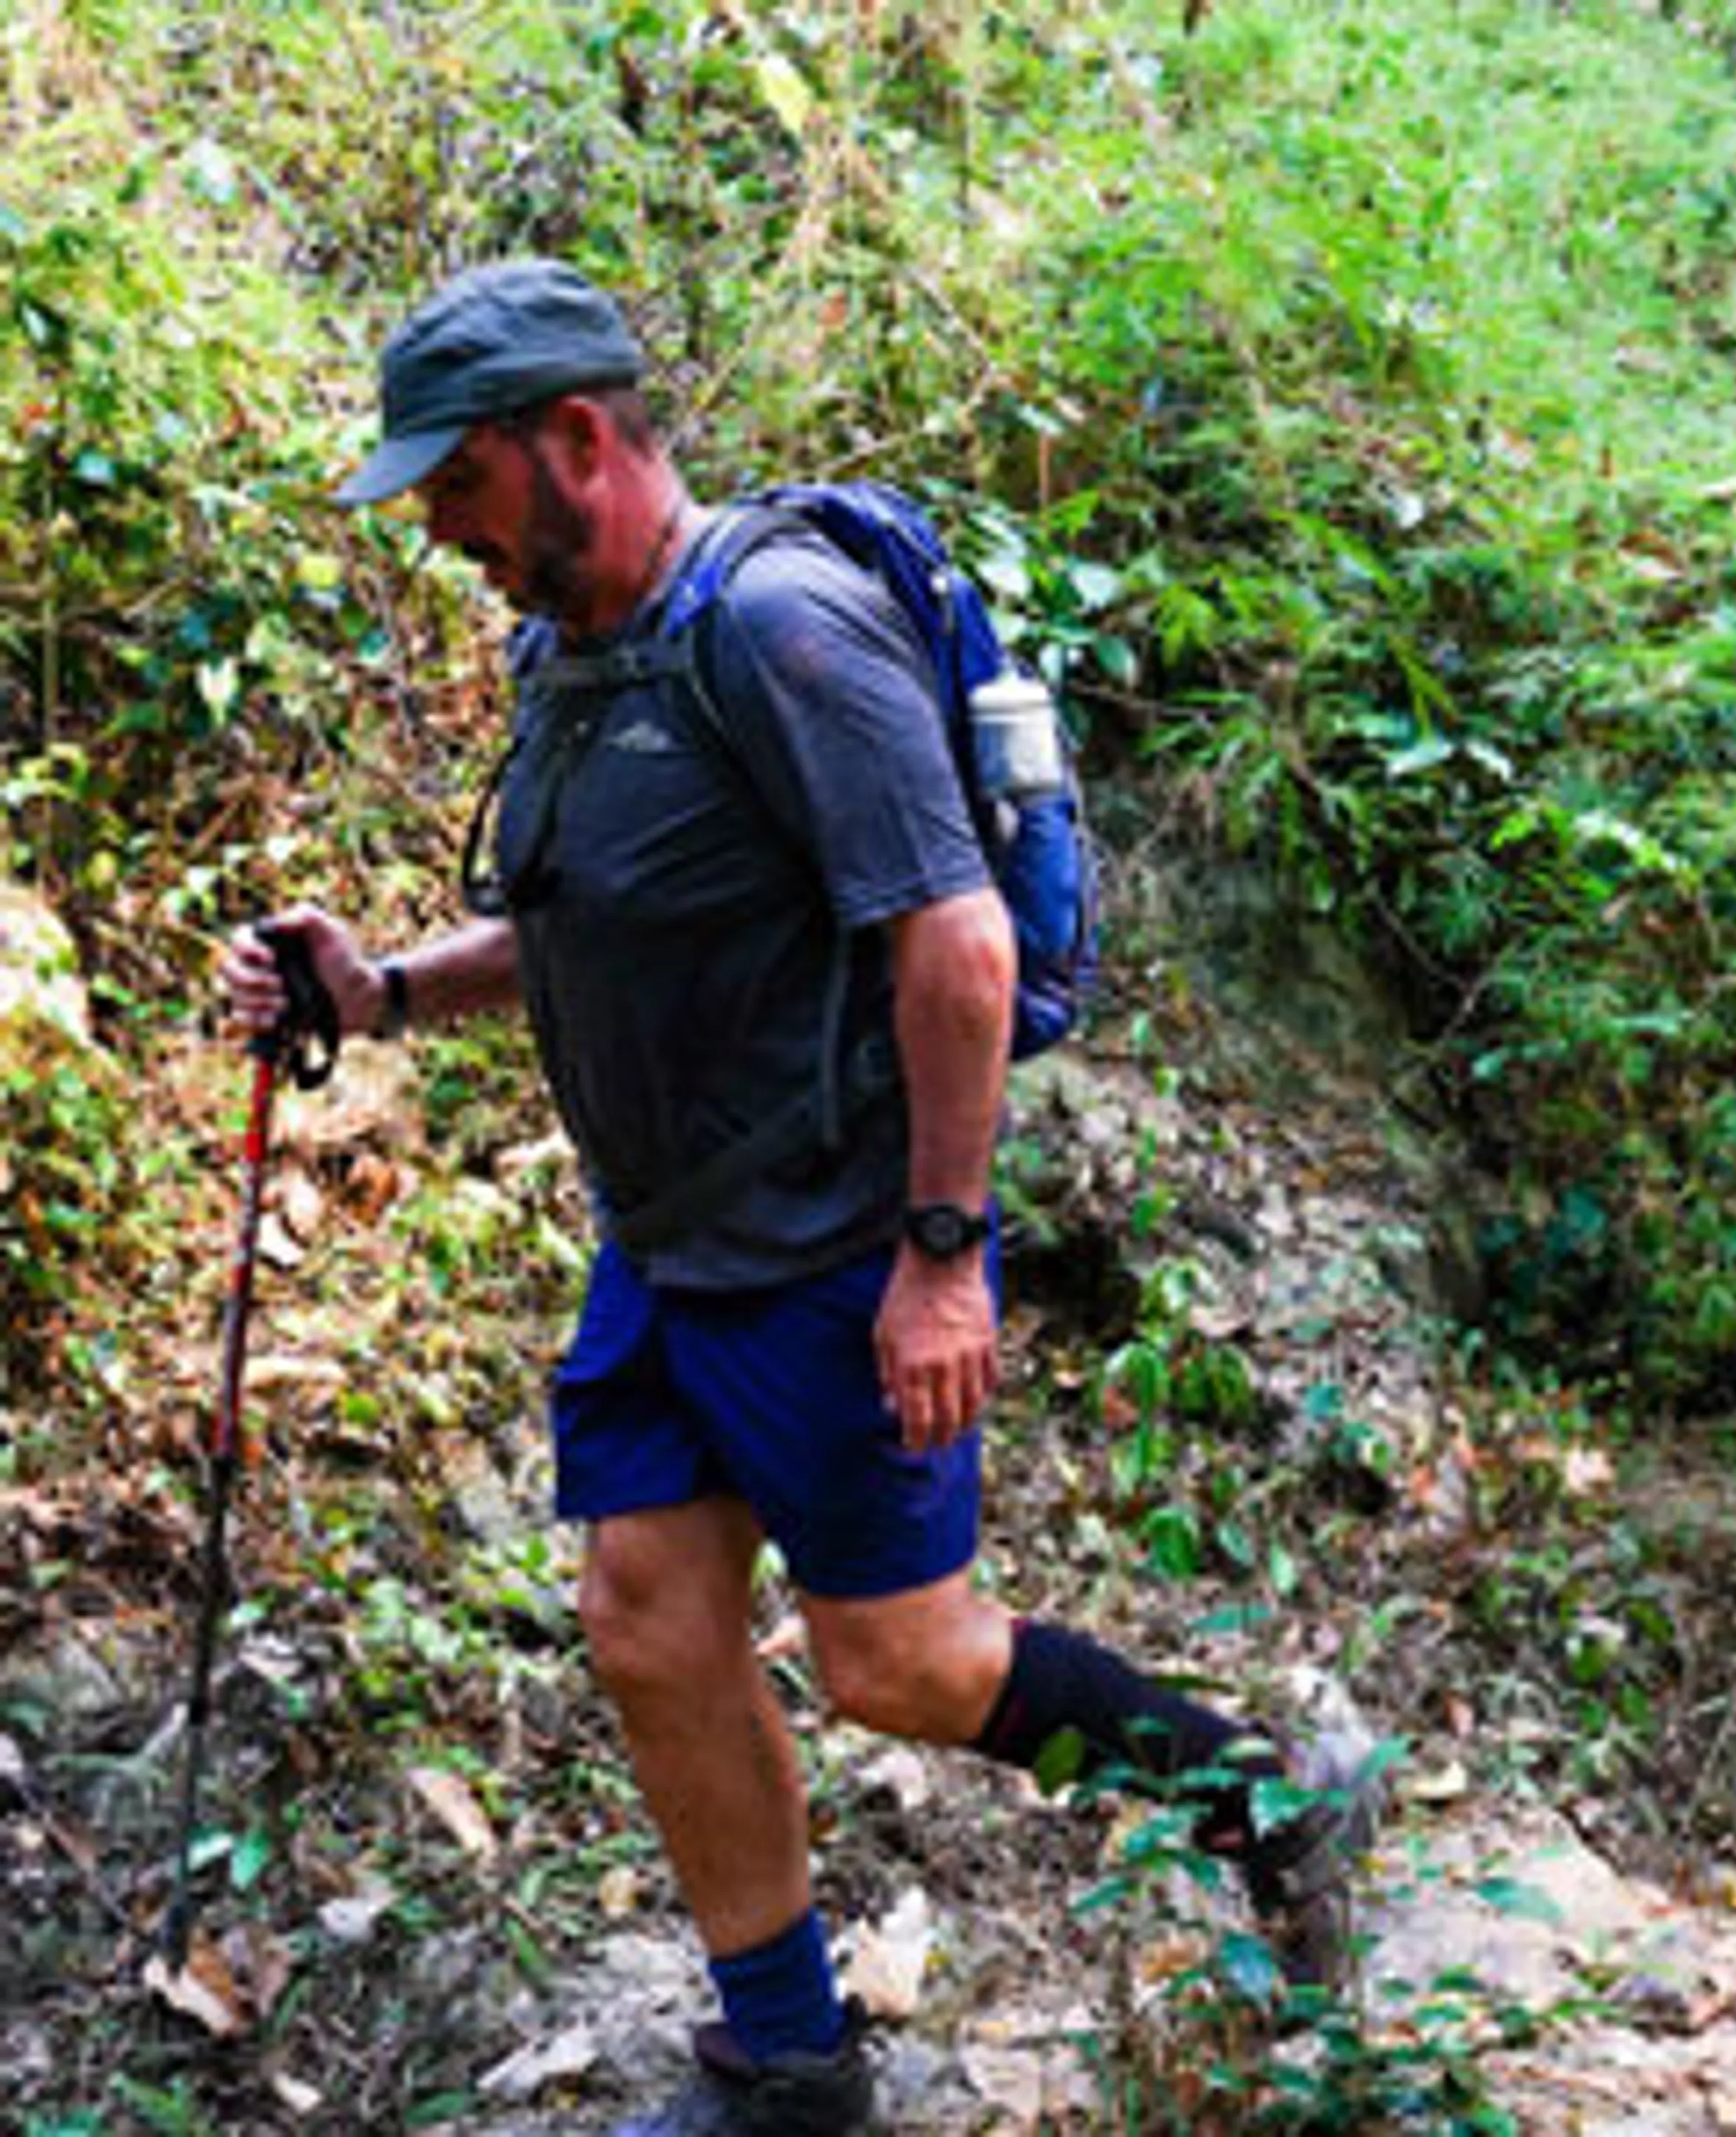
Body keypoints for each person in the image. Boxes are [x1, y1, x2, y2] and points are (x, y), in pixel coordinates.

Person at [221, 259, 1375, 2136]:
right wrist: (383, 993)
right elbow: (579, 920)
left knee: (899, 1665)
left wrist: (939, 1256)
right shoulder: (576, 652)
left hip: (838, 1241)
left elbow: (959, 946)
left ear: (575, 439)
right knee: (646, 1615)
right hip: (669, 1243)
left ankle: (1263, 1801)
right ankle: (790, 2059)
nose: (441, 530)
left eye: (456, 484)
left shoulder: (784, 630)